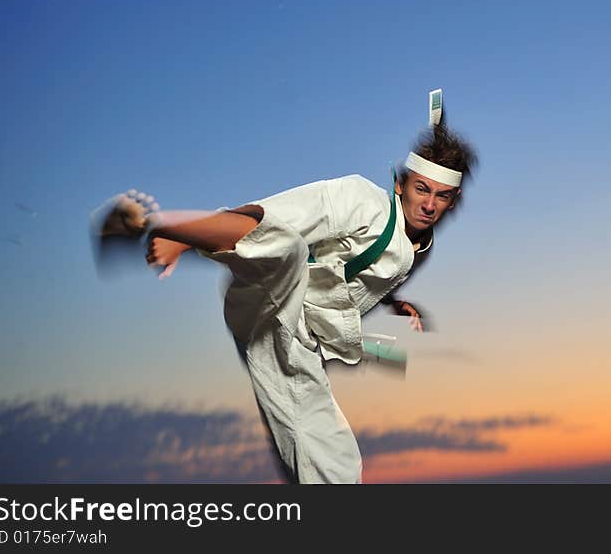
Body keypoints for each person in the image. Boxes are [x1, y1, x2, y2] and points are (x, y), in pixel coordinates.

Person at [95, 121, 477, 483]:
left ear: (453, 200)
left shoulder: (420, 248)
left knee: (335, 461)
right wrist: (182, 238)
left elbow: (371, 270)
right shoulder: (359, 198)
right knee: (288, 244)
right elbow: (272, 216)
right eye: (421, 190)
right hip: (274, 294)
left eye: (440, 196)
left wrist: (396, 302)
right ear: (401, 184)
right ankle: (150, 222)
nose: (429, 205)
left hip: (298, 345)